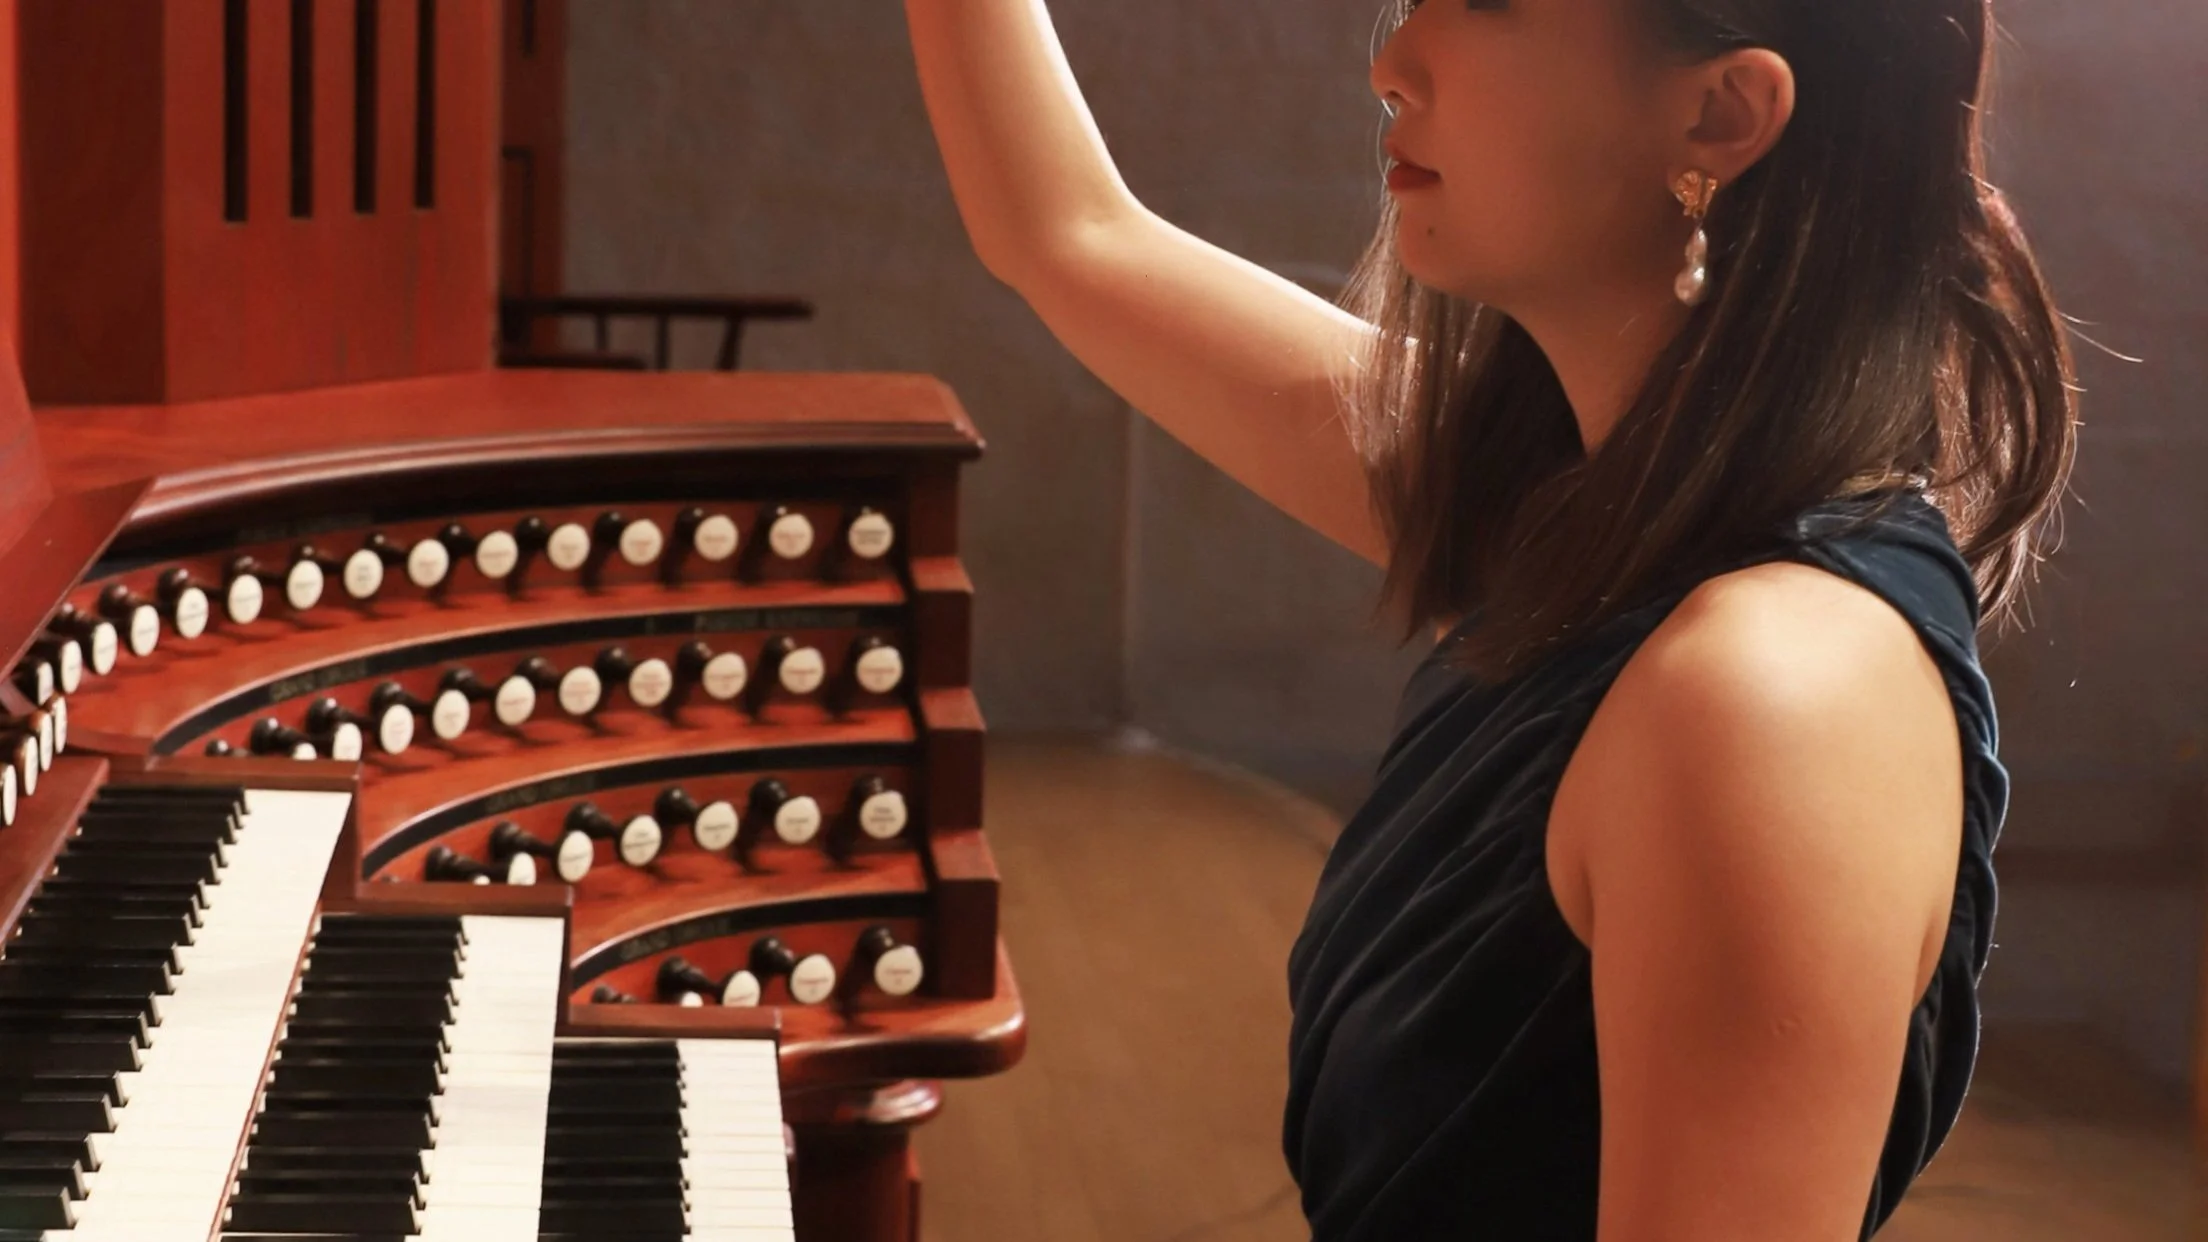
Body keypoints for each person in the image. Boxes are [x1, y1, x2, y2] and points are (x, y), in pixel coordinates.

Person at [903, 0, 2076, 1236]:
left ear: (1720, 113)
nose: (1391, 62)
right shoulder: (1592, 501)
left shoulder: (1760, 703)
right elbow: (1070, 234)